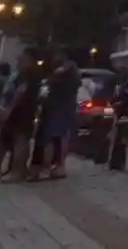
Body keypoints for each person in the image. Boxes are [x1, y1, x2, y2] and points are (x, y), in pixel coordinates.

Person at [0, 48, 42, 181]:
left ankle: (17, 170)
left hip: (23, 112)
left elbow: (20, 93)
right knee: (6, 140)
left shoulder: (29, 74)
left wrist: (8, 109)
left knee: (20, 140)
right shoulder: (19, 74)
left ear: (30, 60)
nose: (18, 61)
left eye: (21, 59)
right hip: (15, 111)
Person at [33, 50, 81, 180]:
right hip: (65, 108)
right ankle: (59, 166)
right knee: (61, 137)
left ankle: (48, 167)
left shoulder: (63, 71)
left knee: (51, 138)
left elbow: (51, 85)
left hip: (57, 107)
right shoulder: (73, 72)